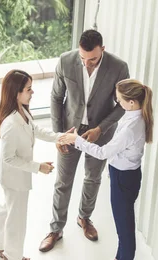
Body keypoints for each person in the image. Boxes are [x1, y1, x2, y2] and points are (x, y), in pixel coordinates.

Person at [41, 29, 130, 252]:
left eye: (93, 59)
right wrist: (58, 135)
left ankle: (84, 218)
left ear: (103, 49)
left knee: (92, 177)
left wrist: (101, 128)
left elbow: (123, 105)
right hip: (69, 131)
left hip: (99, 133)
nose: (87, 64)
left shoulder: (119, 67)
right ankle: (56, 228)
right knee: (63, 181)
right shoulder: (65, 60)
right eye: (83, 59)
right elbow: (56, 97)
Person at [59, 79, 153, 260]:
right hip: (128, 176)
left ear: (131, 102)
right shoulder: (134, 116)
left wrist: (77, 140)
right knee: (124, 228)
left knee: (124, 232)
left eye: (119, 100)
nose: (118, 103)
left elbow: (103, 153)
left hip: (122, 180)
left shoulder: (131, 128)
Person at [0, 70, 69, 260]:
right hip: (13, 178)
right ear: (16, 92)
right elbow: (8, 158)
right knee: (17, 220)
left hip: (13, 177)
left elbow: (35, 129)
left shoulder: (21, 111)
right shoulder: (11, 124)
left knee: (7, 208)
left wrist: (59, 137)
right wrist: (38, 167)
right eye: (29, 89)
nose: (32, 93)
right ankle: (13, 255)